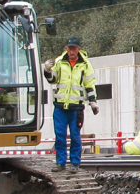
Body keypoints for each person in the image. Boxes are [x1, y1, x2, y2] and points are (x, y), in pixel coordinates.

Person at [42, 37, 98, 172]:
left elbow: (89, 85)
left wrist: (93, 102)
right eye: (69, 48)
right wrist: (47, 71)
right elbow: (52, 80)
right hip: (60, 106)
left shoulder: (85, 64)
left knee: (75, 136)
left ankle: (74, 163)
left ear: (79, 49)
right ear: (66, 49)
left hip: (76, 107)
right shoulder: (59, 62)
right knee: (60, 136)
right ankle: (60, 163)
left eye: (74, 49)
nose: (72, 51)